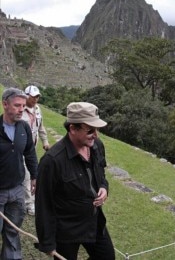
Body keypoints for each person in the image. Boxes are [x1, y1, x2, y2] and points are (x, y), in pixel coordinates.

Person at [35, 102, 115, 260]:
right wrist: (48, 243)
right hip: (66, 231)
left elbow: (101, 174)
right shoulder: (52, 161)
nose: (96, 135)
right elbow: (43, 204)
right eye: (90, 130)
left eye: (97, 129)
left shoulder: (97, 146)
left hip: (94, 222)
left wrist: (104, 188)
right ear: (72, 128)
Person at [0, 87, 38, 260]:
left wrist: (35, 176)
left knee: (13, 230)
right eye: (17, 105)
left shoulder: (23, 127)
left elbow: (30, 153)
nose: (21, 109)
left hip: (17, 190)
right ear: (5, 105)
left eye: (23, 106)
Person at [22, 85, 50, 216]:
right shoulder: (20, 109)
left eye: (37, 96)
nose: (36, 99)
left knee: (31, 174)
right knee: (28, 176)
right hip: (20, 149)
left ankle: (26, 200)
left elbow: (41, 127)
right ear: (26, 95)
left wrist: (45, 141)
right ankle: (29, 203)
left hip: (32, 149)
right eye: (33, 97)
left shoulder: (38, 110)